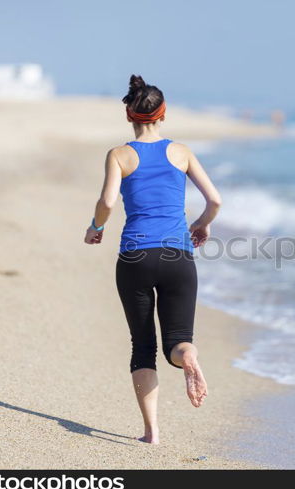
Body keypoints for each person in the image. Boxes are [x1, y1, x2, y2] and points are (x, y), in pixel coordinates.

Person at [84, 75, 222, 444]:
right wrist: (202, 225)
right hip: (178, 255)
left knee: (142, 345)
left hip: (135, 257)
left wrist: (96, 227)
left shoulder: (119, 155)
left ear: (129, 114)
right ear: (163, 115)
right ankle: (187, 357)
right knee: (178, 339)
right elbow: (215, 201)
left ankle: (151, 432)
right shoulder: (181, 152)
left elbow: (108, 202)